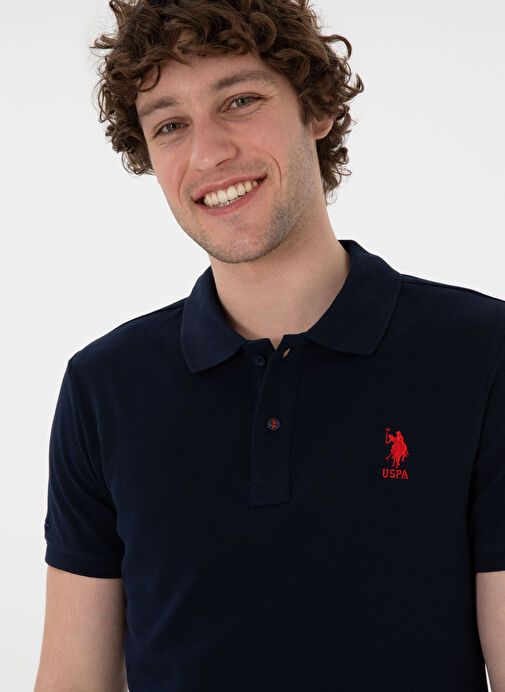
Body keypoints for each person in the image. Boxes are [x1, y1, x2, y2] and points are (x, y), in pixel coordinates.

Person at [36, 1, 505, 690]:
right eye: (170, 125)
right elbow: (74, 680)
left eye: (240, 101)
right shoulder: (104, 387)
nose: (208, 154)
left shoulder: (482, 355)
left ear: (317, 108)